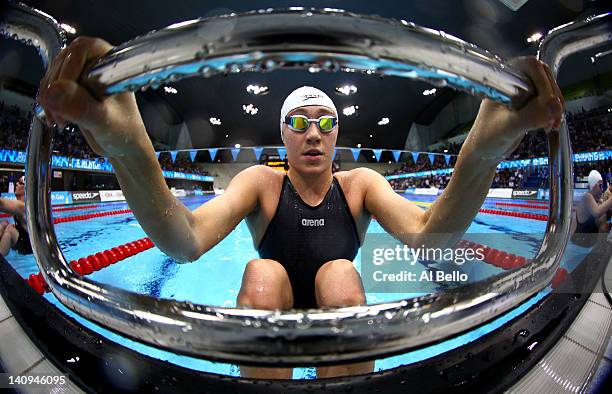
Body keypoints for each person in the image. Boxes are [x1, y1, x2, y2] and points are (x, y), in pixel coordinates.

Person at [37, 37, 564, 379]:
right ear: (283, 136)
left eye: (326, 123)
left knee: (339, 276)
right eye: (299, 122)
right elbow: (185, 240)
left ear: (338, 135)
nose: (314, 133)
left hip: (343, 310)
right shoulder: (261, 184)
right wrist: (131, 147)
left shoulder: (359, 185)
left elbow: (431, 237)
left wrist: (485, 151)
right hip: (273, 308)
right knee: (263, 273)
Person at [571, 170, 612, 247]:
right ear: (595, 185)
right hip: (579, 243)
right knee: (604, 221)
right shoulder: (587, 197)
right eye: (601, 185)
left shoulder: (597, 200)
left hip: (587, 243)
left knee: (606, 221)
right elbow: (597, 213)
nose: (602, 188)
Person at [0, 176, 32, 256]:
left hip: (30, 247)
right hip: (23, 240)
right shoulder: (21, 203)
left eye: (20, 183)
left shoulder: (24, 206)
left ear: (26, 189)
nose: (16, 184)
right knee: (4, 223)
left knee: (10, 230)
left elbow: (2, 204)